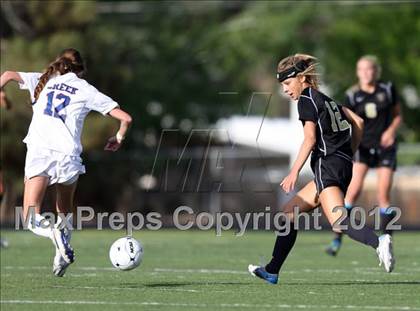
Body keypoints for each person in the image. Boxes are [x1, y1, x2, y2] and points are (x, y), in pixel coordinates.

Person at [248, 54, 394, 285]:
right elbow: (358, 122)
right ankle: (272, 270)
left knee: (339, 221)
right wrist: (349, 153)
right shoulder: (325, 99)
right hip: (337, 164)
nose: (285, 90)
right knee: (288, 213)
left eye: (287, 83)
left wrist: (294, 171)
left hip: (328, 166)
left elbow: (309, 140)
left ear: (302, 78)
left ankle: (379, 242)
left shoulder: (307, 99)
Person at [0, 48, 132, 276]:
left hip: (40, 151)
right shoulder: (85, 89)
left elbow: (8, 74)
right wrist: (118, 137)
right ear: (80, 70)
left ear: (58, 64)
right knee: (64, 210)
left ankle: (53, 234)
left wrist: (1, 91)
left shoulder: (43, 79)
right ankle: (60, 257)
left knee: (31, 218)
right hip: (68, 156)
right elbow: (126, 118)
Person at [326, 55, 402, 256]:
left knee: (383, 194)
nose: (366, 73)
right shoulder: (352, 96)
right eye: (362, 69)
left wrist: (390, 131)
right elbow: (347, 122)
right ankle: (336, 240)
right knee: (352, 193)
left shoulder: (387, 90)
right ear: (357, 72)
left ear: (376, 71)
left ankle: (387, 243)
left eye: (370, 69)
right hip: (363, 147)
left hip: (385, 147)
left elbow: (397, 115)